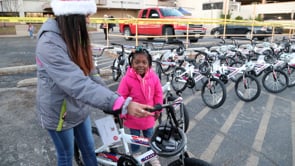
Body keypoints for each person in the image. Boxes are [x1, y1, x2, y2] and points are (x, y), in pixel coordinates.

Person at [35, 0, 153, 165]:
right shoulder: (49, 43)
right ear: (73, 16)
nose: (89, 21)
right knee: (65, 156)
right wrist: (120, 104)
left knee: (89, 150)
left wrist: (115, 100)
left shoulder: (76, 36)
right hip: (59, 114)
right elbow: (77, 83)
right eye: (87, 16)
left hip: (79, 108)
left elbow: (91, 75)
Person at [117, 47, 163, 166]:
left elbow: (158, 93)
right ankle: (136, 154)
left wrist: (158, 107)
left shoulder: (154, 77)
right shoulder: (127, 79)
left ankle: (151, 155)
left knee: (149, 138)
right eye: (137, 62)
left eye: (144, 62)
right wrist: (122, 113)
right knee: (135, 138)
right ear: (131, 63)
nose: (140, 65)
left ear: (149, 64)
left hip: (148, 116)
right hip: (134, 118)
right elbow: (121, 97)